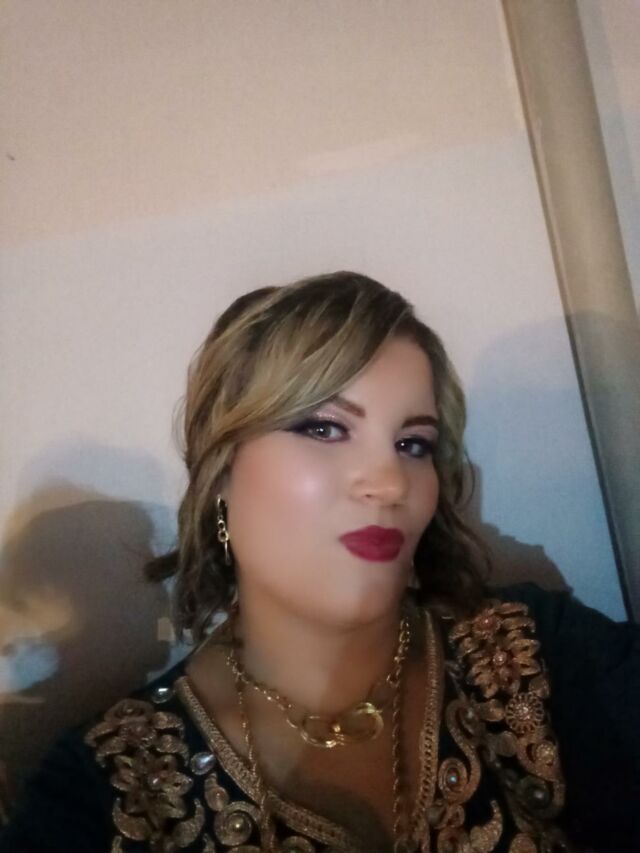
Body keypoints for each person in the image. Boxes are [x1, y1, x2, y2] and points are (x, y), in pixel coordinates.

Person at [1, 271, 638, 853]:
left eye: (413, 443)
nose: (389, 482)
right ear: (221, 473)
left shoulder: (533, 657)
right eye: (324, 428)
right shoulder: (108, 792)